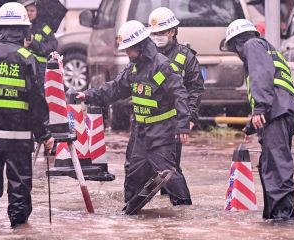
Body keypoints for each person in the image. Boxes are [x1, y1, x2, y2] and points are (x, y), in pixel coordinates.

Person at [77, 20, 192, 209]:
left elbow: (179, 93)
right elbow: (115, 88)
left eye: (129, 49)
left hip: (162, 132)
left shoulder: (161, 66)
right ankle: (130, 212)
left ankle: (184, 212)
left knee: (168, 174)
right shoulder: (135, 67)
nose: (127, 53)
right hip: (141, 132)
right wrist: (89, 95)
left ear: (140, 45)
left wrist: (182, 125)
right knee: (133, 173)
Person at [0, 2, 54, 227]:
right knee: (19, 189)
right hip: (18, 139)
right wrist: (44, 134)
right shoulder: (26, 58)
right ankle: (19, 231)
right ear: (24, 29)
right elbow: (37, 101)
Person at [225, 19, 294, 223]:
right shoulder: (266, 48)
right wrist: (251, 125)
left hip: (276, 112)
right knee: (270, 165)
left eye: (233, 49)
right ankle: (275, 219)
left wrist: (260, 107)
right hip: (280, 111)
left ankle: (283, 222)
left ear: (237, 43)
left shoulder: (252, 45)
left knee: (277, 167)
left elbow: (262, 76)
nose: (236, 54)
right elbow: (271, 82)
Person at [148, 7, 204, 198]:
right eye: (154, 33)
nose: (157, 37)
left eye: (161, 33)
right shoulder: (146, 54)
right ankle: (162, 214)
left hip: (173, 121)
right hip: (148, 121)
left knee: (169, 168)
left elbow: (195, 90)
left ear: (172, 32)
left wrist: (189, 117)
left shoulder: (186, 57)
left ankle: (177, 208)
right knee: (145, 169)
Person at [18, 0, 58, 90]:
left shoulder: (44, 28)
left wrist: (33, 43)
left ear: (37, 12)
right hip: (21, 67)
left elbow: (52, 46)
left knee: (39, 96)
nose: (29, 13)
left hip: (39, 71)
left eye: (32, 11)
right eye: (27, 10)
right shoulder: (17, 27)